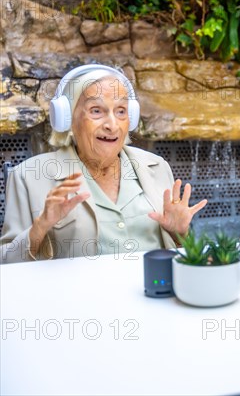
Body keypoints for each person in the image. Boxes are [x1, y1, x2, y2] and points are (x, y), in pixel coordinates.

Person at [1, 64, 207, 263]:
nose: (112, 125)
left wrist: (180, 234)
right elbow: (6, 262)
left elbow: (184, 253)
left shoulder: (157, 166)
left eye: (121, 111)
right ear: (67, 118)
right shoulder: (28, 176)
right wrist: (39, 229)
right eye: (96, 111)